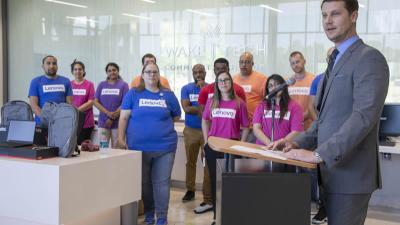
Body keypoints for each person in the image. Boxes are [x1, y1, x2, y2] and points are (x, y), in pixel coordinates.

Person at [270, 1, 389, 225]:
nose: (328, 21)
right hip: (330, 173)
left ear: (353, 15)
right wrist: (296, 143)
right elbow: (324, 120)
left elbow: (364, 117)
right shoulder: (335, 60)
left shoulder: (369, 58)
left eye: (335, 14)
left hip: (351, 176)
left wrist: (318, 154)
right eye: (324, 15)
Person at [117, 62, 181, 225]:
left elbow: (176, 116)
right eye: (148, 72)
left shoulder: (168, 95)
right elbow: (124, 117)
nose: (152, 75)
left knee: (161, 184)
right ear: (142, 75)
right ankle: (148, 216)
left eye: (155, 72)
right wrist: (120, 139)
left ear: (159, 75)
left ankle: (161, 219)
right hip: (138, 148)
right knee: (144, 184)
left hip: (165, 148)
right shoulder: (133, 94)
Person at [202, 71, 249, 225]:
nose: (223, 83)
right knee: (215, 183)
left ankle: (231, 216)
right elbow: (204, 121)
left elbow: (246, 127)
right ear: (217, 83)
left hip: (231, 148)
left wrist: (240, 146)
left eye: (226, 80)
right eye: (220, 80)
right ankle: (217, 216)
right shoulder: (212, 102)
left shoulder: (239, 103)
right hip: (213, 147)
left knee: (230, 184)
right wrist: (206, 141)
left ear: (231, 82)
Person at [180, 64, 213, 214]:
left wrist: (199, 105)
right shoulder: (186, 88)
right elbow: (186, 109)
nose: (198, 74)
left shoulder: (212, 88)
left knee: (207, 163)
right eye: (195, 72)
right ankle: (190, 190)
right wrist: (204, 107)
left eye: (201, 71)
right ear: (192, 74)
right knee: (191, 161)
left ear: (206, 73)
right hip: (191, 130)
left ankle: (207, 196)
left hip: (209, 131)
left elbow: (213, 109)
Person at [252, 74, 303, 146]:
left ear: (283, 86)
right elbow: (256, 128)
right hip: (263, 147)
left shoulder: (294, 106)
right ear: (267, 90)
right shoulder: (261, 105)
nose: (274, 88)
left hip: (284, 149)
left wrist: (281, 143)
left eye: (277, 84)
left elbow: (296, 131)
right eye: (270, 86)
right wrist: (269, 144)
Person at [233, 52, 267, 143]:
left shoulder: (262, 79)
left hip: (254, 127)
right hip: (236, 126)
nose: (244, 65)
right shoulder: (233, 79)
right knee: (235, 155)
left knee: (250, 155)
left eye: (247, 62)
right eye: (241, 62)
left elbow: (267, 101)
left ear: (252, 64)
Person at [28, 55, 73, 125]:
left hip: (61, 124)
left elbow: (69, 104)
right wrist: (47, 120)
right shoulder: (35, 81)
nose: (51, 66)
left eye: (54, 63)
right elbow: (33, 105)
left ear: (57, 66)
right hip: (42, 124)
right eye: (48, 63)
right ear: (43, 66)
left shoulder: (66, 81)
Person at [94, 62, 129, 148]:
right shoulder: (101, 85)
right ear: (107, 73)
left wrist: (111, 118)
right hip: (103, 123)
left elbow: (125, 103)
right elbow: (95, 102)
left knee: (117, 149)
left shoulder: (124, 85)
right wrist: (107, 114)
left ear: (118, 71)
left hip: (118, 123)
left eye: (114, 70)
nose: (112, 72)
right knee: (103, 148)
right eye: (109, 71)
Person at [287, 51, 315, 130]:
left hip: (309, 127)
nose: (295, 65)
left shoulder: (313, 80)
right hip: (292, 128)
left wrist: (299, 119)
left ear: (304, 61)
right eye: (292, 63)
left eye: (297, 62)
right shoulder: (288, 82)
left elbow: (315, 105)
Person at [70, 60, 95, 144]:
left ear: (84, 71)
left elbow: (91, 102)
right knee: (73, 147)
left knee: (85, 148)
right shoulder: (69, 85)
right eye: (75, 69)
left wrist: (76, 111)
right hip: (72, 122)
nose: (78, 71)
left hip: (86, 122)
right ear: (72, 71)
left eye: (80, 69)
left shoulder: (89, 84)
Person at [309, 47, 335, 121]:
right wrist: (318, 125)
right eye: (330, 56)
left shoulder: (347, 78)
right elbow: (311, 106)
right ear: (327, 59)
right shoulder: (317, 80)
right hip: (322, 125)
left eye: (335, 56)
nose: (333, 59)